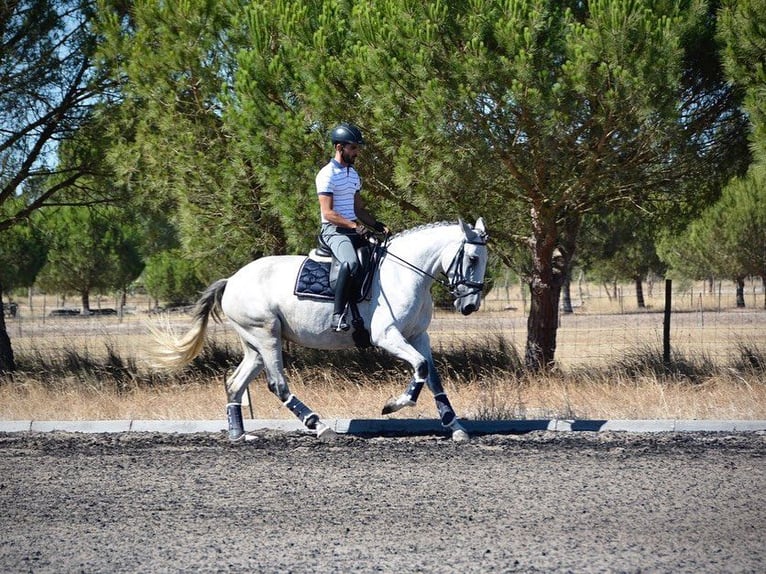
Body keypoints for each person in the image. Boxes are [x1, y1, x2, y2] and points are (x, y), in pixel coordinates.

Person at [316, 123, 388, 332]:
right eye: (354, 148)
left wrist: (376, 224)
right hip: (334, 231)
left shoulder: (353, 175)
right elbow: (328, 213)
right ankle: (337, 315)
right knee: (350, 262)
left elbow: (358, 209)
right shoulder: (326, 174)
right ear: (340, 148)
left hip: (352, 228)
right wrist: (353, 225)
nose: (357, 152)